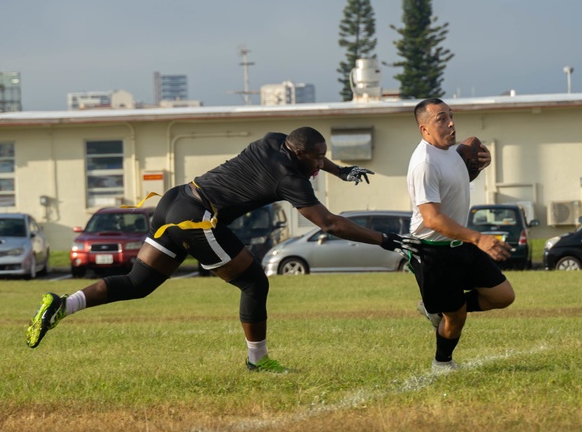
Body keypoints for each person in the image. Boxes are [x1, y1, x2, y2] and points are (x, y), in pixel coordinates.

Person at [26, 127, 421, 373]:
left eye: (323, 156)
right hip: (198, 218)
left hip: (175, 199)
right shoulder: (292, 179)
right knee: (254, 283)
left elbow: (308, 151)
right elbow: (331, 223)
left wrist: (340, 170)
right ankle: (258, 362)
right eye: (316, 158)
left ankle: (63, 303)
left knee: (138, 283)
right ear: (298, 154)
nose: (320, 163)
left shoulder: (273, 140)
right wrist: (386, 240)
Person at [407, 98, 515, 372]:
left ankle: (436, 307)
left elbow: (456, 183)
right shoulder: (424, 163)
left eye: (451, 116)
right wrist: (478, 238)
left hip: (460, 244)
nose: (451, 123)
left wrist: (478, 165)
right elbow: (432, 218)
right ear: (424, 129)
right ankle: (442, 363)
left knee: (503, 296)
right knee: (456, 317)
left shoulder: (452, 153)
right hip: (432, 249)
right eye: (441, 119)